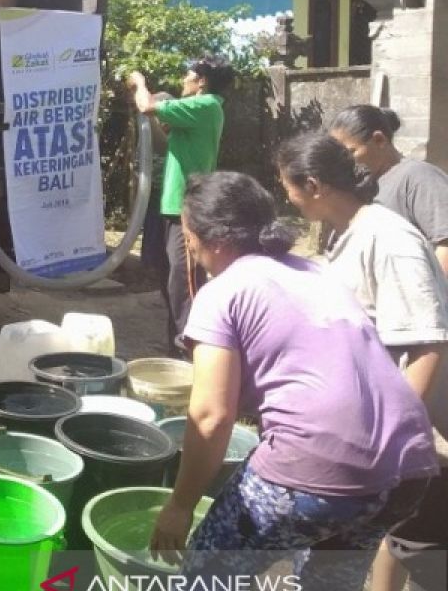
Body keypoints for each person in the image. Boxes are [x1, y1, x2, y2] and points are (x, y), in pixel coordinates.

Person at [149, 171, 438, 591]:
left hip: (319, 468)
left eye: (188, 233)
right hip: (408, 471)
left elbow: (211, 417)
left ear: (210, 237)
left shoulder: (222, 291)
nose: (186, 244)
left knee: (205, 577)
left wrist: (179, 505)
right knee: (328, 582)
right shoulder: (314, 272)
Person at [276, 131, 448, 591]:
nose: (287, 199)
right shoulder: (347, 232)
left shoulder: (390, 239)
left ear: (313, 185)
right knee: (386, 539)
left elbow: (428, 346)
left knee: (419, 544)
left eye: (287, 188)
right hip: (369, 431)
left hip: (400, 439)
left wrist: (388, 442)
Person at [128, 58, 235, 353]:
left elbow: (146, 104)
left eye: (188, 76)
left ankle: (193, 348)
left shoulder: (207, 105)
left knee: (185, 278)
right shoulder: (194, 113)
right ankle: (176, 341)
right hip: (170, 204)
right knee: (167, 274)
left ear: (202, 81)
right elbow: (165, 145)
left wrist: (139, 82)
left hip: (188, 206)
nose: (183, 81)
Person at [329, 104, 448, 277]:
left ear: (379, 140)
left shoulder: (418, 177)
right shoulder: (365, 186)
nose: (345, 162)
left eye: (350, 152)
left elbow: (445, 245)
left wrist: (431, 294)